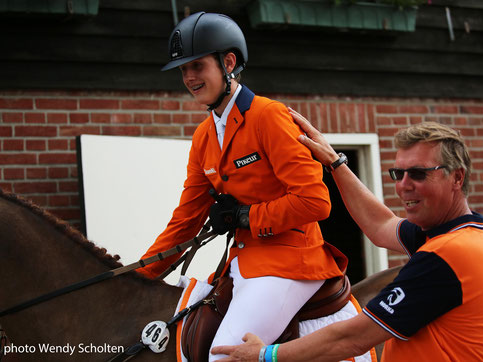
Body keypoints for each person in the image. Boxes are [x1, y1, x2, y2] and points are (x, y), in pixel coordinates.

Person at [136, 12, 348, 361]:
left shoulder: (269, 116)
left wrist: (246, 216)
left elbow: (315, 202)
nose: (189, 77)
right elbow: (185, 221)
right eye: (183, 70)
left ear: (228, 62)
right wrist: (137, 277)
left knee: (223, 357)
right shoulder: (204, 136)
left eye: (197, 66)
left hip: (290, 263)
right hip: (242, 261)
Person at [211, 113, 483, 361]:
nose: (403, 186)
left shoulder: (445, 255)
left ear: (457, 177)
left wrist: (265, 355)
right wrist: (335, 163)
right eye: (398, 174)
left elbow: (352, 338)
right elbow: (381, 226)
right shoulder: (461, 235)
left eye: (418, 174)